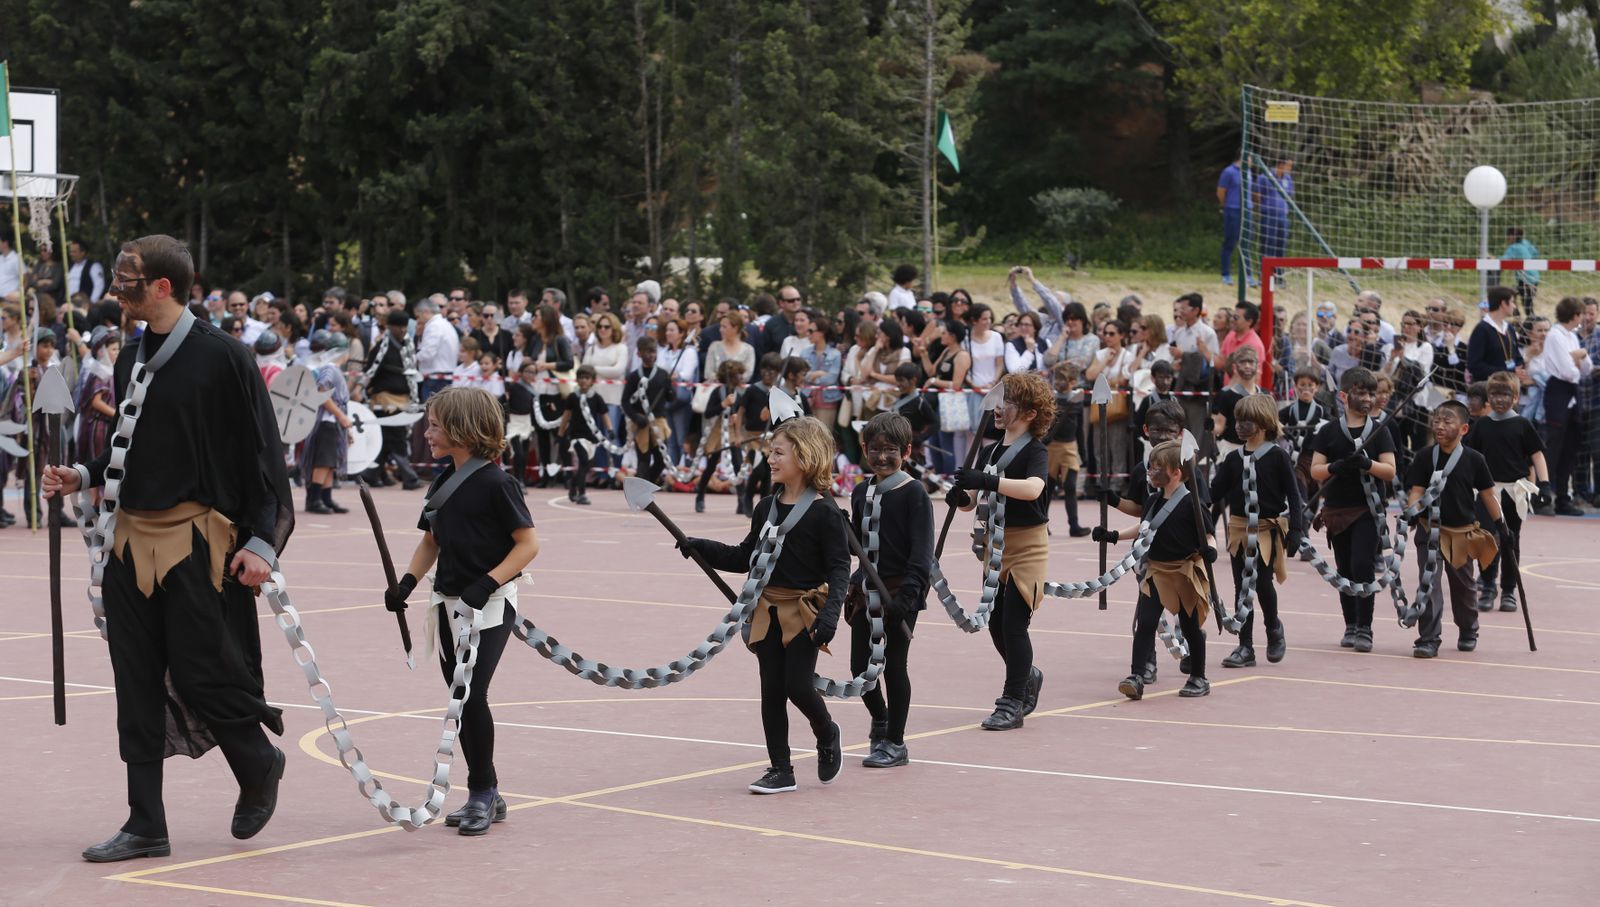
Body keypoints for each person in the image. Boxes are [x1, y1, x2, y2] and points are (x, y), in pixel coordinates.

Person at [41, 234, 293, 862]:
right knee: (135, 681)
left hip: (193, 541)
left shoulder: (224, 358)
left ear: (161, 286)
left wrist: (263, 540)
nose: (115, 289)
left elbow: (264, 459)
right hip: (130, 541)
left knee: (205, 671)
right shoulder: (130, 359)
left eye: (127, 278)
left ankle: (258, 762)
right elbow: (135, 450)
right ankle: (145, 822)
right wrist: (86, 474)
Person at [385, 387, 538, 834]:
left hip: (490, 606)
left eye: (434, 425)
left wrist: (487, 583)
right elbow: (431, 540)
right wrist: (407, 583)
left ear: (462, 429)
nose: (426, 432)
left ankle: (482, 791)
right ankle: (488, 791)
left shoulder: (498, 483)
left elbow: (528, 544)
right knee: (460, 696)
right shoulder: (440, 483)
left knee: (470, 695)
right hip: (449, 603)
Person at [678, 417, 848, 794]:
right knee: (771, 688)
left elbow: (840, 568)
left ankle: (826, 730)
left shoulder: (824, 512)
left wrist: (831, 613)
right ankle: (780, 769)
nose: (769, 459)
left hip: (804, 611)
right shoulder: (765, 507)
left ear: (804, 456)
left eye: (778, 453)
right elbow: (745, 557)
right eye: (770, 452)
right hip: (766, 611)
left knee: (799, 686)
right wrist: (700, 546)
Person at [948, 372, 1055, 730]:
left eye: (1006, 402)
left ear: (1028, 412)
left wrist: (988, 480)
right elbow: (972, 502)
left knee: (1013, 624)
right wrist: (960, 495)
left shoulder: (1035, 450)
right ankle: (1026, 675)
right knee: (995, 624)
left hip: (1027, 547)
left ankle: (1011, 701)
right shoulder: (992, 448)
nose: (997, 408)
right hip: (996, 547)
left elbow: (1033, 489)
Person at [848, 413, 934, 768]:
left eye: (891, 450)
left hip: (901, 592)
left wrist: (908, 597)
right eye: (876, 449)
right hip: (866, 590)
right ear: (864, 449)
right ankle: (880, 718)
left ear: (907, 451)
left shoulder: (914, 493)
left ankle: (895, 742)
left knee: (895, 666)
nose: (882, 457)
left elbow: (921, 553)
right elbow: (857, 546)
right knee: (860, 667)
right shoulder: (859, 491)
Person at [1101, 437, 1217, 699]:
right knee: (1146, 623)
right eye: (1150, 466)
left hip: (1184, 572)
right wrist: (1113, 535)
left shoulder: (1192, 504)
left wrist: (1212, 549)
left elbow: (1208, 535)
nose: (1150, 472)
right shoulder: (1153, 501)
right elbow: (1145, 527)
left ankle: (1198, 676)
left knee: (1189, 627)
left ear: (1176, 473)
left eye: (1156, 468)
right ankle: (1136, 676)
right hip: (1157, 571)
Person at [1209, 394, 1303, 668]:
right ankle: (1245, 646)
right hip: (1239, 529)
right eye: (1238, 420)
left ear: (1263, 423)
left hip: (1265, 530)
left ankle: (1274, 628)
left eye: (1246, 421)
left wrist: (1296, 529)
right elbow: (1214, 493)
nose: (1239, 426)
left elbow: (1294, 496)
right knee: (1242, 588)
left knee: (1262, 583)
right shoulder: (1234, 459)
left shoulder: (1277, 456)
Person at [1308, 367, 1398, 652]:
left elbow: (1390, 471)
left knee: (1362, 565)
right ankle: (1350, 624)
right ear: (1344, 396)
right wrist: (1335, 466)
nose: (1368, 398)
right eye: (1361, 393)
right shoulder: (1329, 432)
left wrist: (1367, 464)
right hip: (1336, 510)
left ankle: (1365, 627)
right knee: (1344, 569)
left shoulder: (1381, 431)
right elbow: (1316, 471)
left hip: (1367, 510)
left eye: (1371, 393)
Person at [1405, 401, 1503, 658]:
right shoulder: (1424, 457)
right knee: (1429, 585)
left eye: (1447, 422)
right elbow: (1415, 490)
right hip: (1430, 531)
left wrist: (1502, 526)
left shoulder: (1474, 460)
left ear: (1463, 429)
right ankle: (1428, 638)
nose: (1439, 426)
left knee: (1464, 587)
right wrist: (1412, 512)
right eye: (1437, 420)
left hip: (1461, 533)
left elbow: (1489, 495)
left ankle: (1469, 629)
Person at [1467, 372, 1550, 613]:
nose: (1499, 399)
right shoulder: (1482, 425)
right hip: (1487, 491)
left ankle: (1508, 590)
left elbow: (1536, 454)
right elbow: (1470, 456)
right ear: (1487, 397)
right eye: (1494, 394)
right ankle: (1488, 585)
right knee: (1487, 537)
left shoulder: (1522, 424)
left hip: (1515, 491)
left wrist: (1544, 483)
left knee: (1510, 539)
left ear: (1515, 398)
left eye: (1505, 394)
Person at [1535, 297, 1594, 514]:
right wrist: (1575, 360)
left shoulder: (1572, 337)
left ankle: (1562, 497)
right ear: (1575, 315)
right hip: (1558, 391)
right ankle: (1543, 499)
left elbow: (1585, 367)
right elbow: (1568, 372)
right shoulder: (1555, 336)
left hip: (1573, 394)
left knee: (1570, 447)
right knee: (1553, 447)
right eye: (1581, 314)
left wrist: (1579, 356)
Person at [300, 331, 353, 515]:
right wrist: (340, 416)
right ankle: (314, 499)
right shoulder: (330, 369)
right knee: (323, 462)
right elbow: (322, 392)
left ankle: (325, 497)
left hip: (332, 423)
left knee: (330, 463)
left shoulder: (334, 369)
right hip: (326, 422)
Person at [528, 304, 575, 488]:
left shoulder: (560, 339)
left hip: (556, 393)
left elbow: (569, 363)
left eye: (536, 316)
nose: (534, 320)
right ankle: (547, 475)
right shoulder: (537, 340)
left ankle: (568, 474)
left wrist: (547, 366)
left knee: (560, 434)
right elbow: (533, 360)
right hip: (538, 392)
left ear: (546, 319)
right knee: (541, 436)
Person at [694, 359, 747, 513]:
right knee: (711, 465)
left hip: (731, 431)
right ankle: (700, 495)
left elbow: (744, 414)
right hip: (717, 431)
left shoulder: (741, 393)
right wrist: (723, 405)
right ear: (730, 376)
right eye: (738, 375)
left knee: (738, 464)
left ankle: (741, 500)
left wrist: (738, 417)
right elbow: (708, 412)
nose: (741, 378)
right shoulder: (718, 392)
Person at [558, 365, 613, 505]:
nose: (583, 380)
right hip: (576, 436)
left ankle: (573, 486)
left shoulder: (596, 398)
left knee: (585, 466)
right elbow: (566, 416)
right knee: (583, 462)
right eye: (581, 377)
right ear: (577, 380)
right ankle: (582, 493)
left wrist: (610, 429)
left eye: (587, 378)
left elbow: (604, 415)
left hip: (591, 438)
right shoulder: (572, 397)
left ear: (593, 380)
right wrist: (561, 432)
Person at [1047, 361, 1090, 537]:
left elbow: (1079, 428)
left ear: (1073, 382)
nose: (1060, 383)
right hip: (1051, 447)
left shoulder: (1077, 400)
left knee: (1071, 486)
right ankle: (1042, 523)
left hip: (1070, 446)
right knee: (1047, 488)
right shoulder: (1051, 399)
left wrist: (1083, 452)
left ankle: (1074, 524)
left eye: (1064, 379)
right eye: (1058, 379)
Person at [623, 336, 672, 486]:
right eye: (647, 352)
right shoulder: (633, 376)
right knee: (643, 459)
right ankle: (640, 491)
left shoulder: (663, 374)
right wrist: (635, 418)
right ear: (639, 354)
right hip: (641, 423)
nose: (651, 355)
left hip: (658, 421)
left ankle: (646, 486)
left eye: (653, 352)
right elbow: (625, 401)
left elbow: (670, 398)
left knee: (661, 460)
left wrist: (669, 389)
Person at [658, 318, 700, 467]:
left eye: (672, 330)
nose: (668, 333)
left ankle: (685, 470)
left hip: (681, 400)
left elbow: (686, 374)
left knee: (682, 438)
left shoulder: (689, 352)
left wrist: (671, 374)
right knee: (670, 439)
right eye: (667, 330)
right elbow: (660, 371)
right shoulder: (663, 351)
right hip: (666, 400)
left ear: (681, 333)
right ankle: (671, 470)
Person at [76, 329, 121, 465]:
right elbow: (96, 402)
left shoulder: (109, 370)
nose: (117, 353)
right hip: (98, 426)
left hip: (107, 425)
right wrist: (116, 414)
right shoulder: (100, 373)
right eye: (113, 350)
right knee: (97, 463)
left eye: (117, 349)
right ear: (102, 351)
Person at [1210, 347, 1263, 459]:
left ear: (1257, 366)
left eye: (1251, 362)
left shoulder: (1264, 395)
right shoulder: (1226, 396)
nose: (1247, 366)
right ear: (1234, 367)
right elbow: (1220, 426)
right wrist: (1211, 426)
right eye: (1243, 362)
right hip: (1232, 449)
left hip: (1260, 449)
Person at [1467, 286, 1524, 385]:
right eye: (1512, 302)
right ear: (1503, 304)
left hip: (1510, 385)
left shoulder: (1509, 327)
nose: (1514, 306)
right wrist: (1506, 373)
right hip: (1489, 388)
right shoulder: (1481, 330)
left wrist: (1520, 367)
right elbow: (1474, 365)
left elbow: (1516, 355)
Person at [1252, 157, 1294, 285]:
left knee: (1280, 247)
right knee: (1267, 246)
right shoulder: (1265, 177)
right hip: (1268, 216)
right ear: (1281, 164)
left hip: (1283, 217)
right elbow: (1256, 194)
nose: (1290, 169)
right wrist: (1266, 206)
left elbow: (1290, 196)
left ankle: (1279, 277)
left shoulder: (1288, 179)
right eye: (1288, 166)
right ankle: (1264, 276)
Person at [415, 298, 460, 401]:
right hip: (446, 375)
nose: (417, 320)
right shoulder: (445, 324)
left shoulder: (433, 326)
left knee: (432, 412)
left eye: (418, 316)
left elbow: (428, 352)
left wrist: (413, 358)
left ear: (425, 312)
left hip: (435, 378)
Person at [1218, 156, 1243, 285]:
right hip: (1232, 209)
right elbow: (1221, 191)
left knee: (1245, 244)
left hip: (1246, 210)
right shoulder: (1229, 172)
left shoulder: (1248, 173)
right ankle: (1226, 274)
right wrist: (1225, 205)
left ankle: (1247, 275)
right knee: (1230, 241)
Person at [1502, 227, 1541, 313]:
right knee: (1512, 294)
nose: (1506, 238)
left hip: (1526, 279)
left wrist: (1493, 260)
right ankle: (1518, 318)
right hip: (1534, 276)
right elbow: (1535, 254)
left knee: (1527, 306)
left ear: (1512, 236)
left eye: (1507, 236)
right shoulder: (1526, 243)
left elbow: (1504, 261)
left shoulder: (1513, 247)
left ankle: (1525, 321)